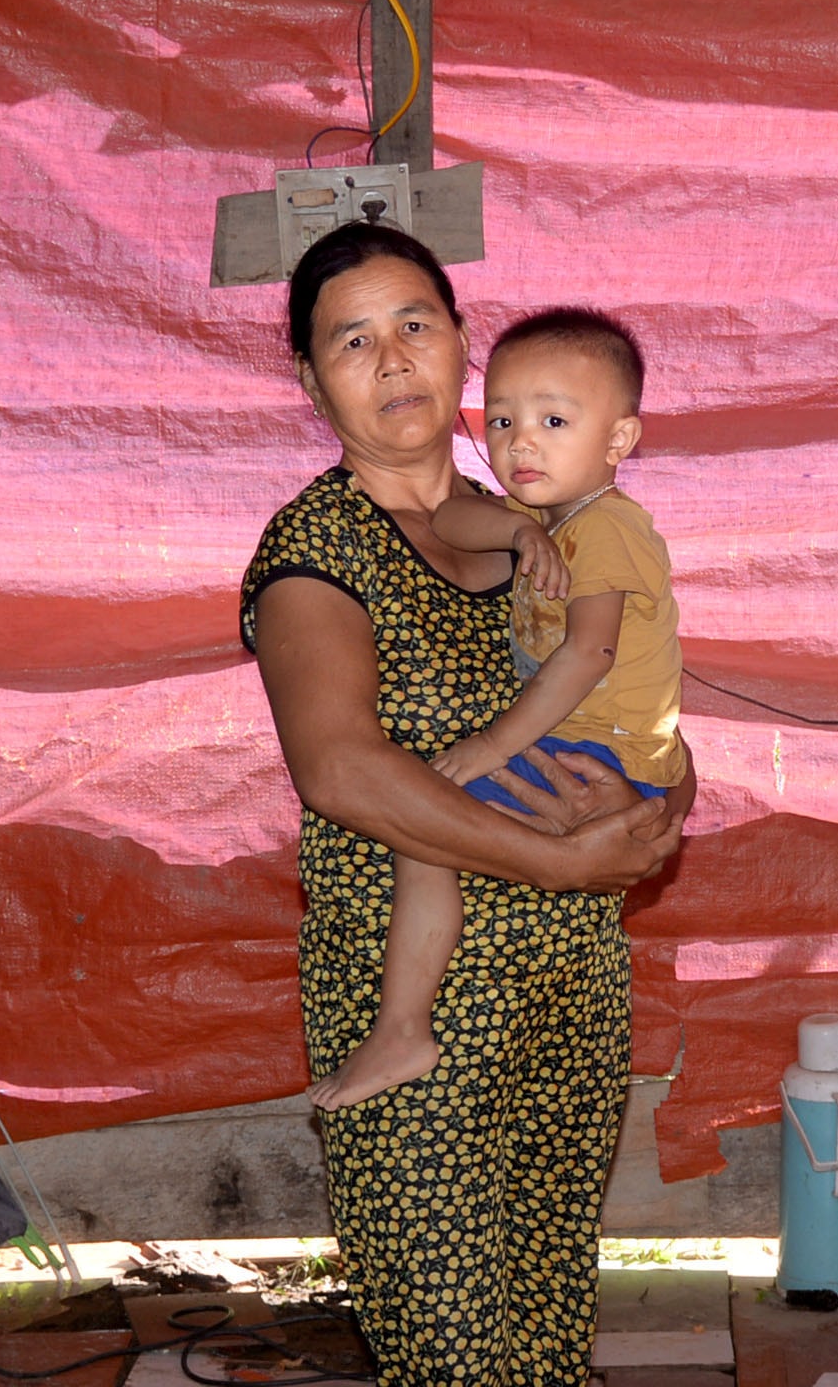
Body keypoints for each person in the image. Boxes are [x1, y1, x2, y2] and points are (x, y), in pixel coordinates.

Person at [241, 222, 692, 1387]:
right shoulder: (316, 554)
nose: (392, 361)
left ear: (459, 349)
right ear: (308, 379)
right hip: (425, 1020)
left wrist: (663, 794)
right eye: (352, 340)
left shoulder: (550, 523)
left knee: (545, 1329)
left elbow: (638, 693)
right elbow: (341, 770)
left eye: (415, 326)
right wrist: (549, 859)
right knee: (450, 1351)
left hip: (570, 992)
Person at [310, 306, 687, 1111]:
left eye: (554, 421)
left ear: (619, 441)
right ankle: (409, 1025)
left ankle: (404, 1025)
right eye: (505, 419)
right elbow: (447, 515)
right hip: (606, 753)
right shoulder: (549, 522)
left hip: (600, 752)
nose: (522, 442)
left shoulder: (609, 530)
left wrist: (489, 745)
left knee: (428, 825)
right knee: (435, 827)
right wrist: (520, 535)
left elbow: (589, 654)